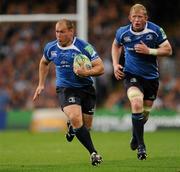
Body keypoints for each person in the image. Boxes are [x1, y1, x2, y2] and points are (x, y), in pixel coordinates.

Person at [33, 19, 104, 166]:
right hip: (66, 89)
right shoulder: (51, 48)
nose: (58, 35)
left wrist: (86, 72)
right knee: (75, 117)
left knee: (87, 126)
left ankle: (72, 127)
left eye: (62, 32)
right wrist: (41, 84)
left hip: (86, 89)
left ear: (71, 31)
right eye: (57, 31)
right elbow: (43, 62)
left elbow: (100, 67)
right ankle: (93, 153)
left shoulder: (84, 47)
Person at [111, 4, 172, 160]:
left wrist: (149, 51)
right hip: (132, 75)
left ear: (146, 18)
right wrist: (115, 63)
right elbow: (116, 45)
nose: (137, 20)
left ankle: (135, 135)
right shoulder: (122, 32)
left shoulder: (155, 31)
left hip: (151, 78)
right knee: (136, 103)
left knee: (144, 115)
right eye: (134, 17)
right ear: (130, 18)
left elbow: (168, 50)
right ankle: (141, 146)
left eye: (140, 17)